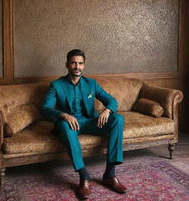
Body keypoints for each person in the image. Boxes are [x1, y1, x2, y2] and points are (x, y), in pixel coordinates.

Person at [41, 49, 126, 199]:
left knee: (118, 119)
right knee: (64, 125)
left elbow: (112, 100)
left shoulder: (91, 83)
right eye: (73, 63)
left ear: (84, 65)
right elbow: (45, 108)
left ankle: (110, 174)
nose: (77, 66)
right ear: (67, 64)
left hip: (90, 121)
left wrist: (107, 111)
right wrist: (63, 114)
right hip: (71, 124)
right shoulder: (56, 85)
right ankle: (84, 176)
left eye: (80, 63)